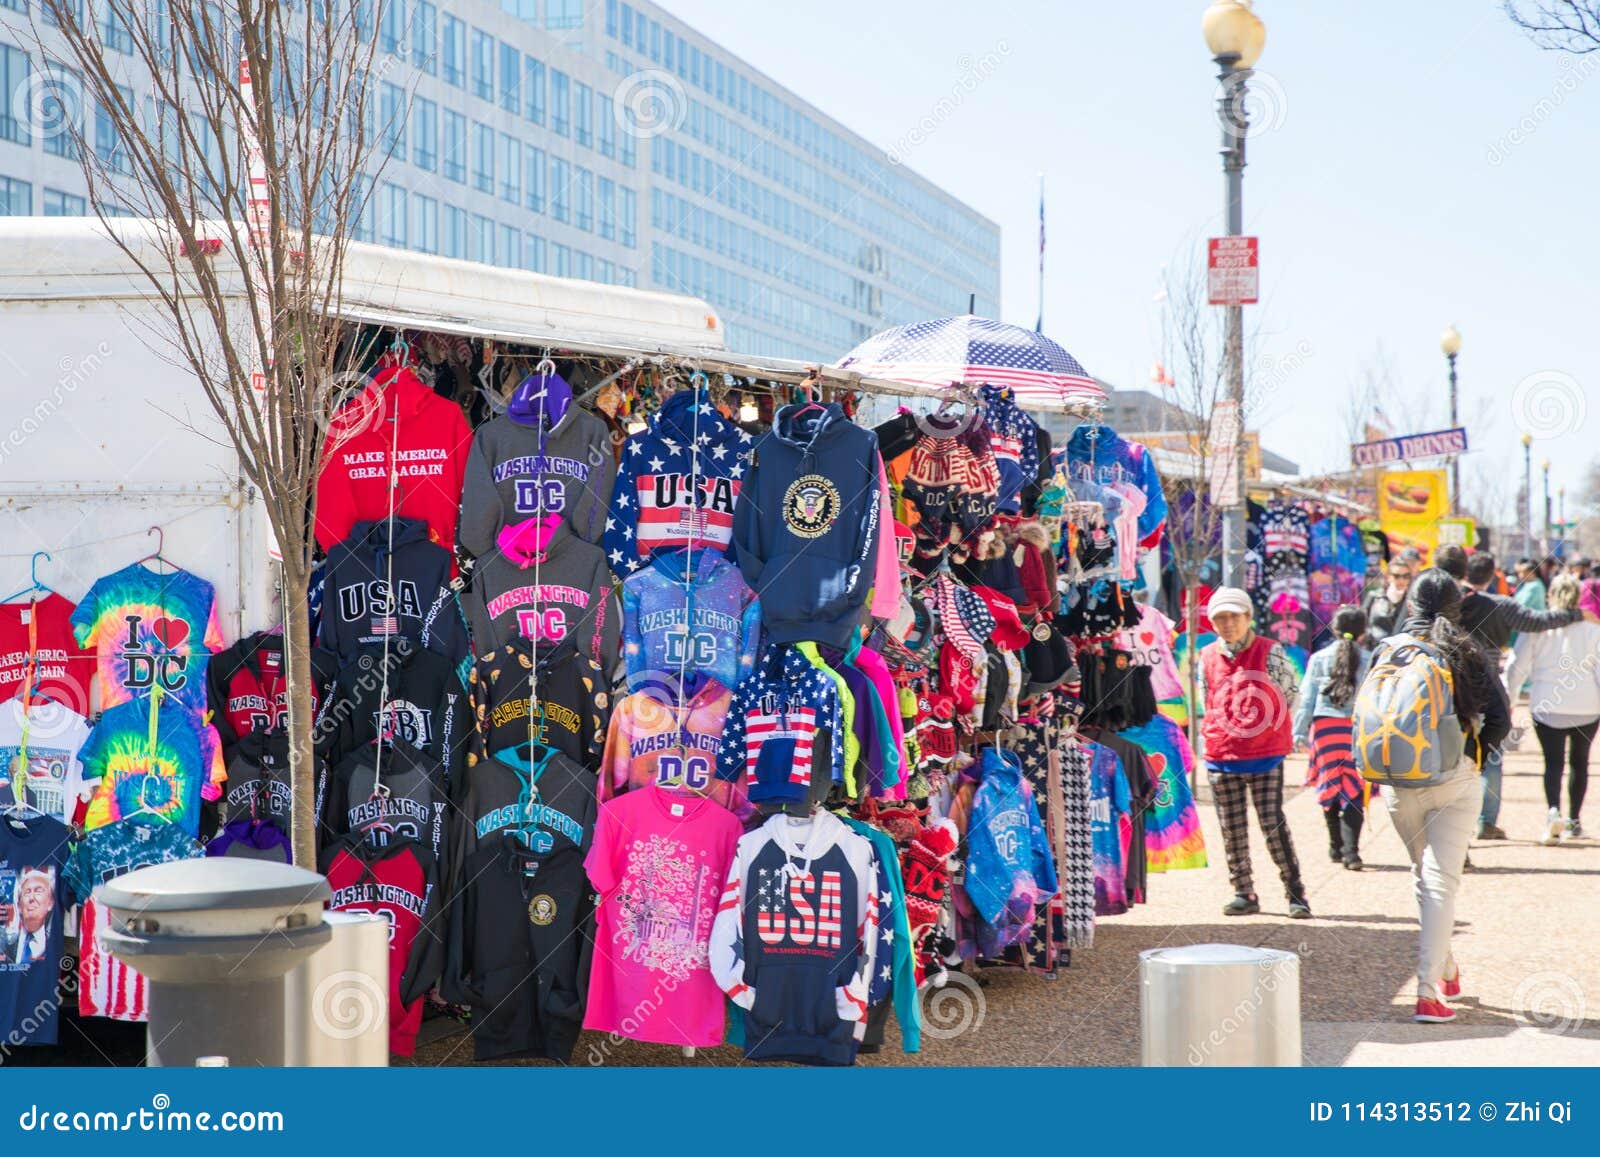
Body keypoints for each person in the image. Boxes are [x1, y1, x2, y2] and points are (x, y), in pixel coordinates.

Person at [1379, 570, 1510, 1024]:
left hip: (1396, 780)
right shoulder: (1465, 650)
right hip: (1453, 777)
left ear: (1411, 605)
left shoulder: (1388, 649)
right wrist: (1474, 756)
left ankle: (1445, 966)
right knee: (1438, 881)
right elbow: (1501, 719)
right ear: (1457, 607)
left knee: (1424, 876)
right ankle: (1427, 990)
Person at [1434, 545, 1586, 841]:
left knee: (1447, 752)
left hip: (1445, 686)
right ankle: (1486, 820)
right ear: (1492, 575)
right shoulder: (1499, 605)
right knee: (1490, 754)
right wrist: (1577, 613)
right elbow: (1537, 621)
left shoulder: (1439, 606)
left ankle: (1448, 823)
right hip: (1485, 688)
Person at [1197, 586, 1310, 919]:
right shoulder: (1207, 656)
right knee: (1231, 828)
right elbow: (1207, 698)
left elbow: (1290, 694)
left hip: (1265, 753)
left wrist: (1267, 727)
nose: (1228, 624)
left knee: (1272, 824)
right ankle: (1243, 892)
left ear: (1248, 617)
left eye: (1234, 616)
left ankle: (1295, 893)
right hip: (1221, 753)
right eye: (1221, 618)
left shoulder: (1270, 651)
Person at [1502, 574, 1600, 844]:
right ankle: (1574, 821)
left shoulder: (1538, 629)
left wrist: (1510, 698)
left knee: (1552, 763)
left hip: (1546, 705)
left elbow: (1516, 666)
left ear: (1551, 595)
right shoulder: (1594, 630)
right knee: (1580, 763)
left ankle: (1553, 812)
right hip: (1587, 706)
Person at [1294, 606, 1373, 870]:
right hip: (1357, 729)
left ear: (1334, 629)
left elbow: (1307, 698)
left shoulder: (1318, 658)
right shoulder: (1371, 658)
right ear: (1363, 632)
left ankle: (1335, 846)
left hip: (1324, 730)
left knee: (1330, 785)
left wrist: (1299, 732)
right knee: (1355, 788)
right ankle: (1352, 853)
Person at [1362, 557, 1413, 646]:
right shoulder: (1374, 596)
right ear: (1388, 577)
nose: (1401, 580)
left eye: (1406, 576)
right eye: (1396, 576)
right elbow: (1363, 621)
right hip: (1374, 646)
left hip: (1400, 648)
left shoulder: (1412, 600)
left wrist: (1398, 603)